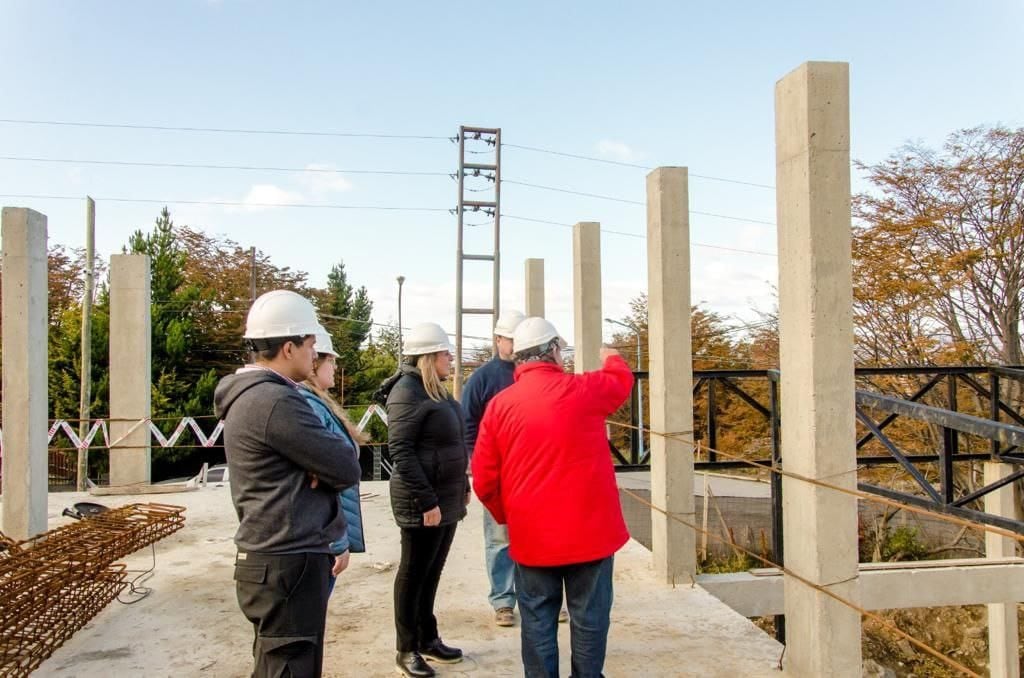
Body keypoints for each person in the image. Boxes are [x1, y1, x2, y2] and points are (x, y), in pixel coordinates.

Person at [472, 317, 633, 678]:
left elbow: (484, 480)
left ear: (519, 358)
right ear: (555, 352)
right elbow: (621, 381)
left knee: (538, 621)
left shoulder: (499, 407)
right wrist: (612, 356)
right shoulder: (585, 390)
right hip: (590, 537)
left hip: (533, 538)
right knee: (589, 619)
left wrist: (508, 515)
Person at [215, 289, 363, 678]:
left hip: (276, 560)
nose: (315, 354)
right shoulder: (275, 402)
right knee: (288, 668)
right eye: (311, 344)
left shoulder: (261, 397)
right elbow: (346, 465)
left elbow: (335, 464)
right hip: (286, 561)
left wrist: (318, 467)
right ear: (288, 347)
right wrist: (318, 467)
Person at [374, 322, 470, 678]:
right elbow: (401, 450)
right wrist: (427, 501)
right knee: (413, 574)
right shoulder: (406, 392)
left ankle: (428, 637)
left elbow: (450, 442)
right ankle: (406, 648)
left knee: (432, 572)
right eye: (446, 353)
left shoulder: (435, 390)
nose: (451, 358)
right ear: (430, 356)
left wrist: (461, 485)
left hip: (445, 498)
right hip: (422, 501)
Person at [464, 309, 571, 627]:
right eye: (510, 338)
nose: (515, 344)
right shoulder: (484, 379)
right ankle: (503, 601)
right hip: (501, 473)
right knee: (500, 540)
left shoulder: (543, 375)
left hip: (537, 474)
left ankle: (546, 599)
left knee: (543, 537)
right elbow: (468, 423)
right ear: (498, 340)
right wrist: (476, 464)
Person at [300, 331, 367, 595]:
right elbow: (326, 478)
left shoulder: (316, 403)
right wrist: (337, 542)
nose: (336, 367)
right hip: (322, 538)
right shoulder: (310, 406)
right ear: (315, 362)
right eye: (332, 360)